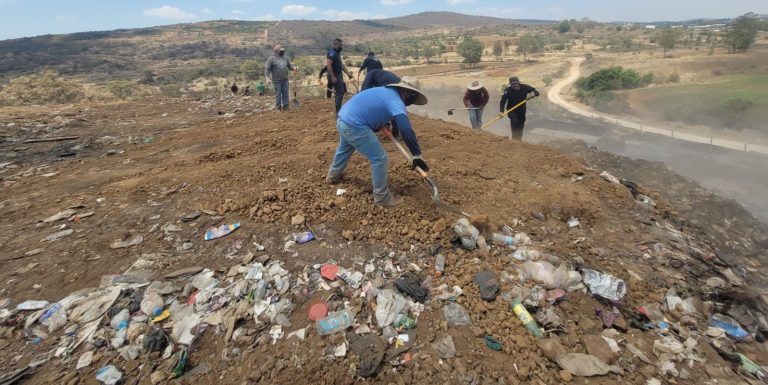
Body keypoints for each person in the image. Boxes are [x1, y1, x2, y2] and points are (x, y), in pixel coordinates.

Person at [326, 80, 429, 208]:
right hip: (355, 125)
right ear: (407, 93)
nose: (409, 103)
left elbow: (372, 108)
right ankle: (382, 198)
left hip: (344, 120)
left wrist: (383, 123)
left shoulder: (384, 92)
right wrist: (416, 155)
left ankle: (332, 176)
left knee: (344, 149)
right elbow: (406, 129)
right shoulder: (395, 100)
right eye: (412, 98)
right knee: (380, 159)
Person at [499, 76, 539, 140]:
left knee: (521, 124)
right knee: (515, 122)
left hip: (522, 110)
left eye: (515, 83)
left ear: (518, 83)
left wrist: (533, 93)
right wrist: (501, 111)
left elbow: (536, 92)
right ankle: (514, 139)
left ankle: (519, 140)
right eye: (512, 84)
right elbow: (503, 102)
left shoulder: (525, 87)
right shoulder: (507, 91)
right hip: (511, 110)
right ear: (510, 84)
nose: (514, 85)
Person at [326, 38, 354, 115]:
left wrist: (348, 74)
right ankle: (338, 111)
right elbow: (329, 65)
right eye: (339, 45)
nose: (341, 47)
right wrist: (333, 77)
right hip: (334, 75)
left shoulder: (337, 53)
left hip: (338, 75)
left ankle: (339, 109)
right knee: (340, 92)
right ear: (335, 44)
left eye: (341, 45)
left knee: (341, 92)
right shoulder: (332, 53)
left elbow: (341, 65)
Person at [264, 44, 295, 111]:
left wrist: (294, 68)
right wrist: (267, 77)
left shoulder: (286, 58)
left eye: (283, 50)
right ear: (276, 51)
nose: (282, 51)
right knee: (278, 94)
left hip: (285, 79)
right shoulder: (271, 58)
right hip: (276, 80)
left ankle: (286, 107)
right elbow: (267, 68)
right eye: (281, 50)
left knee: (285, 93)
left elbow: (290, 66)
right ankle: (278, 107)